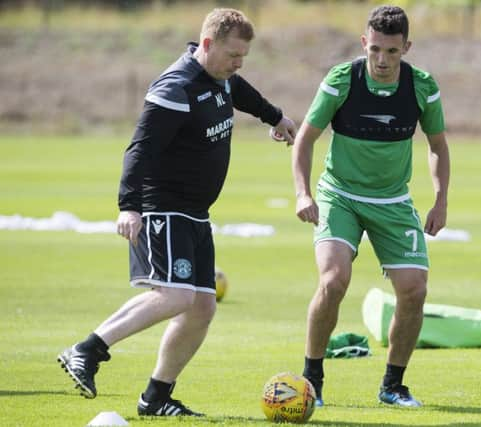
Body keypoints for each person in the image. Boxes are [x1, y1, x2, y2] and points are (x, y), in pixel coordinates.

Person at [57, 8, 296, 417]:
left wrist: (274, 116)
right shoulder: (176, 86)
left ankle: (156, 397)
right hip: (163, 209)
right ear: (207, 44)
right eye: (232, 55)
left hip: (194, 213)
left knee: (202, 308)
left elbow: (237, 89)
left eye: (244, 56)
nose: (238, 63)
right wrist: (128, 207)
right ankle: (87, 350)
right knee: (175, 295)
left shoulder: (218, 78)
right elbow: (140, 148)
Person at [292, 5, 450, 408]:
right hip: (339, 195)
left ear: (406, 48)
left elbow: (437, 147)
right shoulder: (342, 80)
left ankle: (392, 386)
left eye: (392, 52)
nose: (381, 60)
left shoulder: (422, 87)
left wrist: (440, 199)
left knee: (414, 289)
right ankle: (312, 379)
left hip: (393, 201)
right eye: (375, 49)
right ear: (364, 43)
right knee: (333, 281)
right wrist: (303, 193)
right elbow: (305, 140)